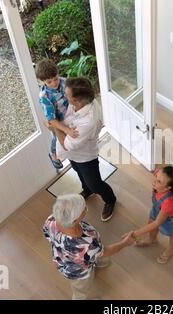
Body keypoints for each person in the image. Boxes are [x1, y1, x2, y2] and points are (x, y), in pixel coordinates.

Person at [43, 194, 135, 300]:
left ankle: (94, 261)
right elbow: (106, 252)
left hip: (65, 259)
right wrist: (125, 243)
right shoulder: (86, 245)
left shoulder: (52, 219)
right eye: (84, 209)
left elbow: (48, 237)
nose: (86, 210)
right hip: (78, 272)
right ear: (75, 220)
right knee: (81, 290)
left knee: (93, 255)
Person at [55, 77, 117, 222]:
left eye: (67, 95)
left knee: (95, 184)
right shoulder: (85, 100)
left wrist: (54, 127)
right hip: (74, 155)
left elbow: (67, 145)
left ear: (77, 101)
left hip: (86, 157)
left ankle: (110, 199)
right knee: (77, 170)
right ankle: (87, 190)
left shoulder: (88, 121)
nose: (64, 96)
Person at [123, 164, 173, 264]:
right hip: (157, 210)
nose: (154, 181)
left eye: (159, 181)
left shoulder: (169, 202)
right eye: (157, 177)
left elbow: (157, 223)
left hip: (170, 220)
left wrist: (134, 234)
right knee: (150, 223)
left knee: (172, 234)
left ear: (168, 188)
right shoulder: (160, 177)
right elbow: (156, 171)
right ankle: (152, 239)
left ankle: (172, 248)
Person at [35, 58, 77, 169]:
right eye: (49, 82)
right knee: (56, 138)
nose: (54, 83)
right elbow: (51, 119)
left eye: (55, 79)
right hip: (57, 121)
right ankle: (53, 154)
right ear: (42, 81)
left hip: (70, 114)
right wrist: (66, 129)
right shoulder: (44, 96)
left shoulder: (64, 82)